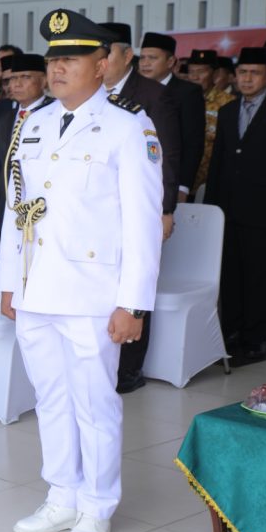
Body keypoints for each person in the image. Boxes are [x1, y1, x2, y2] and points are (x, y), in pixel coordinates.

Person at [0, 9, 162, 532]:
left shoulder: (127, 125)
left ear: (102, 63)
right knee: (50, 397)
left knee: (95, 403)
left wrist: (134, 304)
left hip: (93, 293)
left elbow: (142, 223)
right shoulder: (35, 123)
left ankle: (96, 506)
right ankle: (61, 494)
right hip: (36, 286)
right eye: (52, 58)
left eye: (70, 58)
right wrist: (6, 283)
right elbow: (17, 208)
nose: (58, 67)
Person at [100, 22, 183, 394]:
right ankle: (105, 358)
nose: (101, 62)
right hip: (102, 210)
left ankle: (130, 369)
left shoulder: (151, 95)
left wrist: (165, 210)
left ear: (127, 55)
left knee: (135, 279)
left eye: (108, 53)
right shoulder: (93, 93)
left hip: (140, 206)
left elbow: (166, 156)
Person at [206, 47, 266, 361]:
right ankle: (230, 334)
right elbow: (218, 162)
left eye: (254, 73)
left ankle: (257, 339)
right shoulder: (229, 111)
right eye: (242, 73)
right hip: (228, 209)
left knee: (258, 276)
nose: (246, 78)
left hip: (261, 212)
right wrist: (214, 208)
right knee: (230, 275)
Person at [0, 53, 53, 236]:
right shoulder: (6, 119)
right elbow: (0, 166)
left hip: (41, 207)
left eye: (25, 77)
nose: (16, 84)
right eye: (13, 78)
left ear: (44, 81)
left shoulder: (55, 114)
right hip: (8, 207)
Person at [138, 32, 206, 202]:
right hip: (140, 176)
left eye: (152, 58)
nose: (145, 63)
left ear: (170, 62)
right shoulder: (134, 90)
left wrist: (183, 186)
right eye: (142, 58)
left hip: (170, 179)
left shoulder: (187, 92)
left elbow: (193, 143)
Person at [187, 49, 235, 192]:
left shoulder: (228, 103)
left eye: (201, 72)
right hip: (184, 179)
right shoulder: (182, 100)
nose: (195, 77)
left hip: (212, 180)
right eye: (191, 72)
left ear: (214, 74)